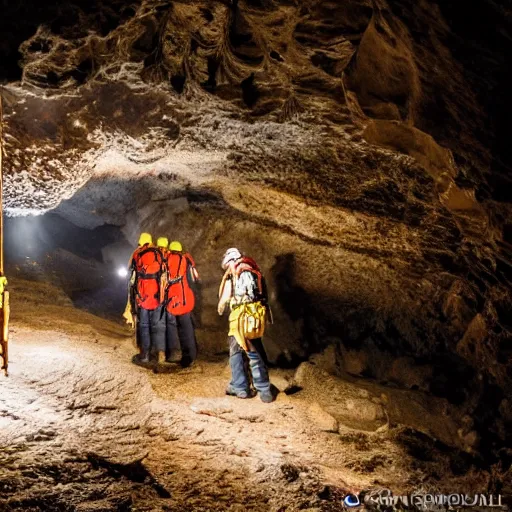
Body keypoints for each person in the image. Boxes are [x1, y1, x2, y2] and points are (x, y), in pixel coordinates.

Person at [217, 248, 273, 403]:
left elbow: (225, 299)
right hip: (255, 316)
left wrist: (221, 306)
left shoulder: (232, 273)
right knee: (256, 350)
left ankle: (240, 388)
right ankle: (265, 390)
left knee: (236, 351)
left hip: (240, 316)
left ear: (229, 260)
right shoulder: (253, 270)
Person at [128, 232, 167, 364]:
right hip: (157, 296)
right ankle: (158, 353)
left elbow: (131, 270)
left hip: (143, 296)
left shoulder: (137, 253)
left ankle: (145, 355)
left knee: (144, 325)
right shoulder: (159, 253)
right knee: (157, 325)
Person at [163, 240, 200, 367]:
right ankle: (191, 355)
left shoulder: (167, 259)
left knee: (172, 326)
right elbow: (195, 279)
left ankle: (174, 353)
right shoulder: (187, 259)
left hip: (172, 298)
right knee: (187, 327)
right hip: (186, 298)